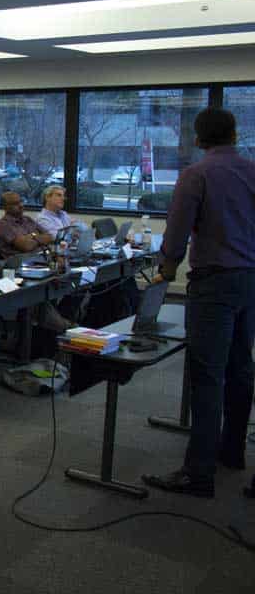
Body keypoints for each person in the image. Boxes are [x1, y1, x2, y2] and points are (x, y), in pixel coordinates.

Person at [143, 107, 255, 498]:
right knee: (241, 367)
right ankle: (232, 451)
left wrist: (166, 269)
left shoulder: (197, 174)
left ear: (199, 138)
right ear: (234, 135)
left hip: (213, 284)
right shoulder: (252, 170)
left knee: (207, 377)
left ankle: (198, 473)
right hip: (250, 280)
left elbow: (177, 232)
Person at [0, 192, 53, 258]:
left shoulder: (28, 219)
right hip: (22, 261)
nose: (21, 205)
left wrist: (31, 236)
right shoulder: (3, 225)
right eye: (15, 204)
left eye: (21, 201)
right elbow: (26, 246)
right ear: (5, 207)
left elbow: (50, 237)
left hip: (44, 256)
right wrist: (38, 236)